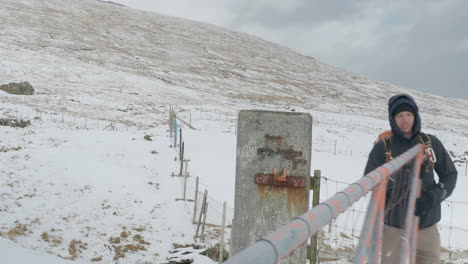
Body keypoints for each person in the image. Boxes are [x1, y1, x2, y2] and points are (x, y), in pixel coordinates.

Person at [364, 93, 457, 264]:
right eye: (399, 115)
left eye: (409, 114)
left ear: (415, 116)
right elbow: (370, 180)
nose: (405, 119)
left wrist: (432, 197)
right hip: (393, 226)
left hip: (426, 225)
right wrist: (395, 193)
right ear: (393, 119)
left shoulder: (430, 143)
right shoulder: (383, 147)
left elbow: (450, 175)